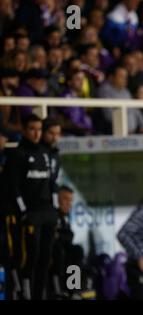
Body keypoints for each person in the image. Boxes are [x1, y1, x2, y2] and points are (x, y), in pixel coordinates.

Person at [2, 114, 57, 299]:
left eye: (39, 130)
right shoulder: (17, 154)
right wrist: (23, 211)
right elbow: (14, 187)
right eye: (32, 129)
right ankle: (26, 294)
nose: (36, 133)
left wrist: (55, 208)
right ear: (25, 130)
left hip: (47, 212)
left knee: (46, 258)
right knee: (29, 258)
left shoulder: (45, 153)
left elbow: (51, 183)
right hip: (31, 214)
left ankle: (41, 293)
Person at [49, 186, 84, 298]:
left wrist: (59, 235)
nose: (69, 203)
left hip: (64, 247)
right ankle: (57, 289)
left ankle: (73, 289)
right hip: (52, 250)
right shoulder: (52, 214)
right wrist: (61, 236)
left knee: (77, 250)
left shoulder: (66, 216)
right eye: (66, 199)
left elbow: (70, 235)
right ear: (58, 199)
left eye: (71, 200)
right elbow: (51, 236)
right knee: (59, 251)